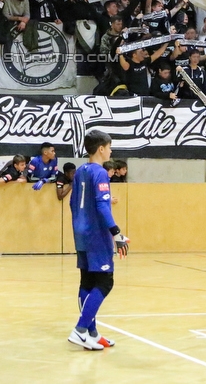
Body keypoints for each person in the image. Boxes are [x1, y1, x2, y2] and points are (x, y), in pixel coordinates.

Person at [68, 130, 129, 351]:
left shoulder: (80, 171)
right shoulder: (100, 173)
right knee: (105, 282)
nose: (111, 151)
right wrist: (116, 233)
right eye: (110, 147)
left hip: (81, 233)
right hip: (96, 235)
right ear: (101, 148)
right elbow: (102, 206)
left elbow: (73, 203)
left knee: (87, 282)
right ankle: (80, 329)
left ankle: (91, 333)